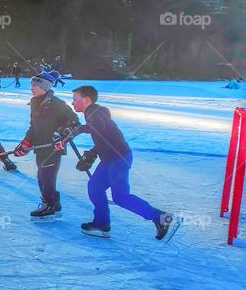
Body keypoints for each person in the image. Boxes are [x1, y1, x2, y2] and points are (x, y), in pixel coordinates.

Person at [57, 85, 179, 240]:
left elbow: (98, 126)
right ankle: (101, 224)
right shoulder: (95, 112)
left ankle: (161, 217)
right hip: (110, 159)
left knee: (120, 197)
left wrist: (78, 129)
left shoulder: (94, 112)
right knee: (95, 187)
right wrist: (92, 154)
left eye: (75, 99)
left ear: (86, 100)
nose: (72, 103)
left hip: (118, 159)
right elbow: (104, 136)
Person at [12, 70, 79, 220]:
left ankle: (48, 205)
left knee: (46, 176)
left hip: (54, 147)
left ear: (45, 87)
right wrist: (25, 143)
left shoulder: (58, 104)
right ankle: (54, 205)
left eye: (35, 85)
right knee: (42, 176)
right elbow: (34, 127)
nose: (32, 88)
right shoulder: (35, 104)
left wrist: (62, 133)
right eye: (31, 85)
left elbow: (75, 123)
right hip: (39, 146)